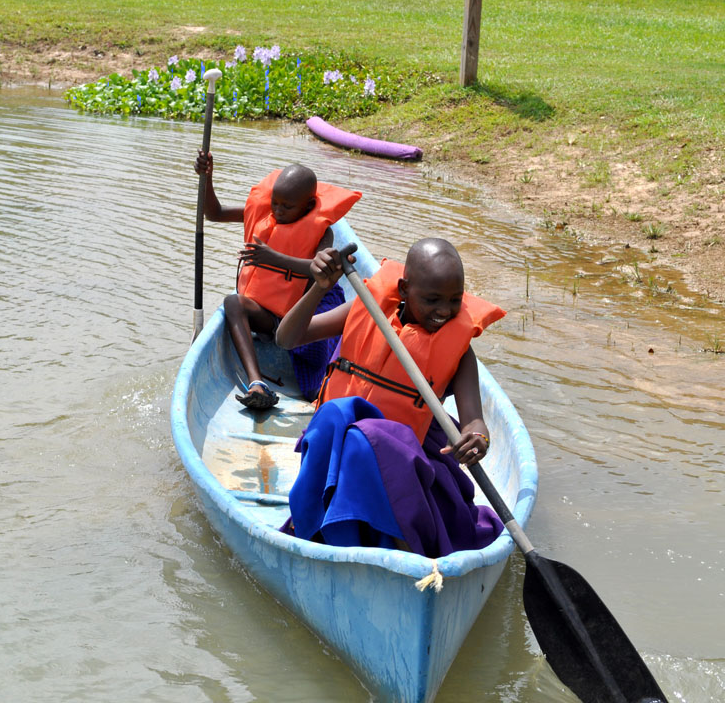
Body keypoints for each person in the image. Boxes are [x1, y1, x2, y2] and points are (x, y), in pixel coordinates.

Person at [274, 238, 508, 557]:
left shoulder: (459, 351)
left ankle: (396, 548)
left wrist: (477, 437)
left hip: (408, 460)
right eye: (432, 299)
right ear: (404, 288)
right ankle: (326, 529)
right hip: (338, 447)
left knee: (363, 438)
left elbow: (474, 420)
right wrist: (318, 288)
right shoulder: (368, 309)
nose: (444, 310)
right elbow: (287, 338)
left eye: (455, 300)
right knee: (337, 417)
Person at [194, 150, 361, 409]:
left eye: (287, 206)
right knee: (233, 303)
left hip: (304, 312)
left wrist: (274, 258)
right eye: (275, 203)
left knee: (314, 368)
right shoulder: (263, 214)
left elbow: (319, 270)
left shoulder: (322, 231)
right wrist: (207, 178)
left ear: (307, 206)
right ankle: (257, 383)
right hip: (269, 314)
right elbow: (214, 213)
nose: (278, 211)